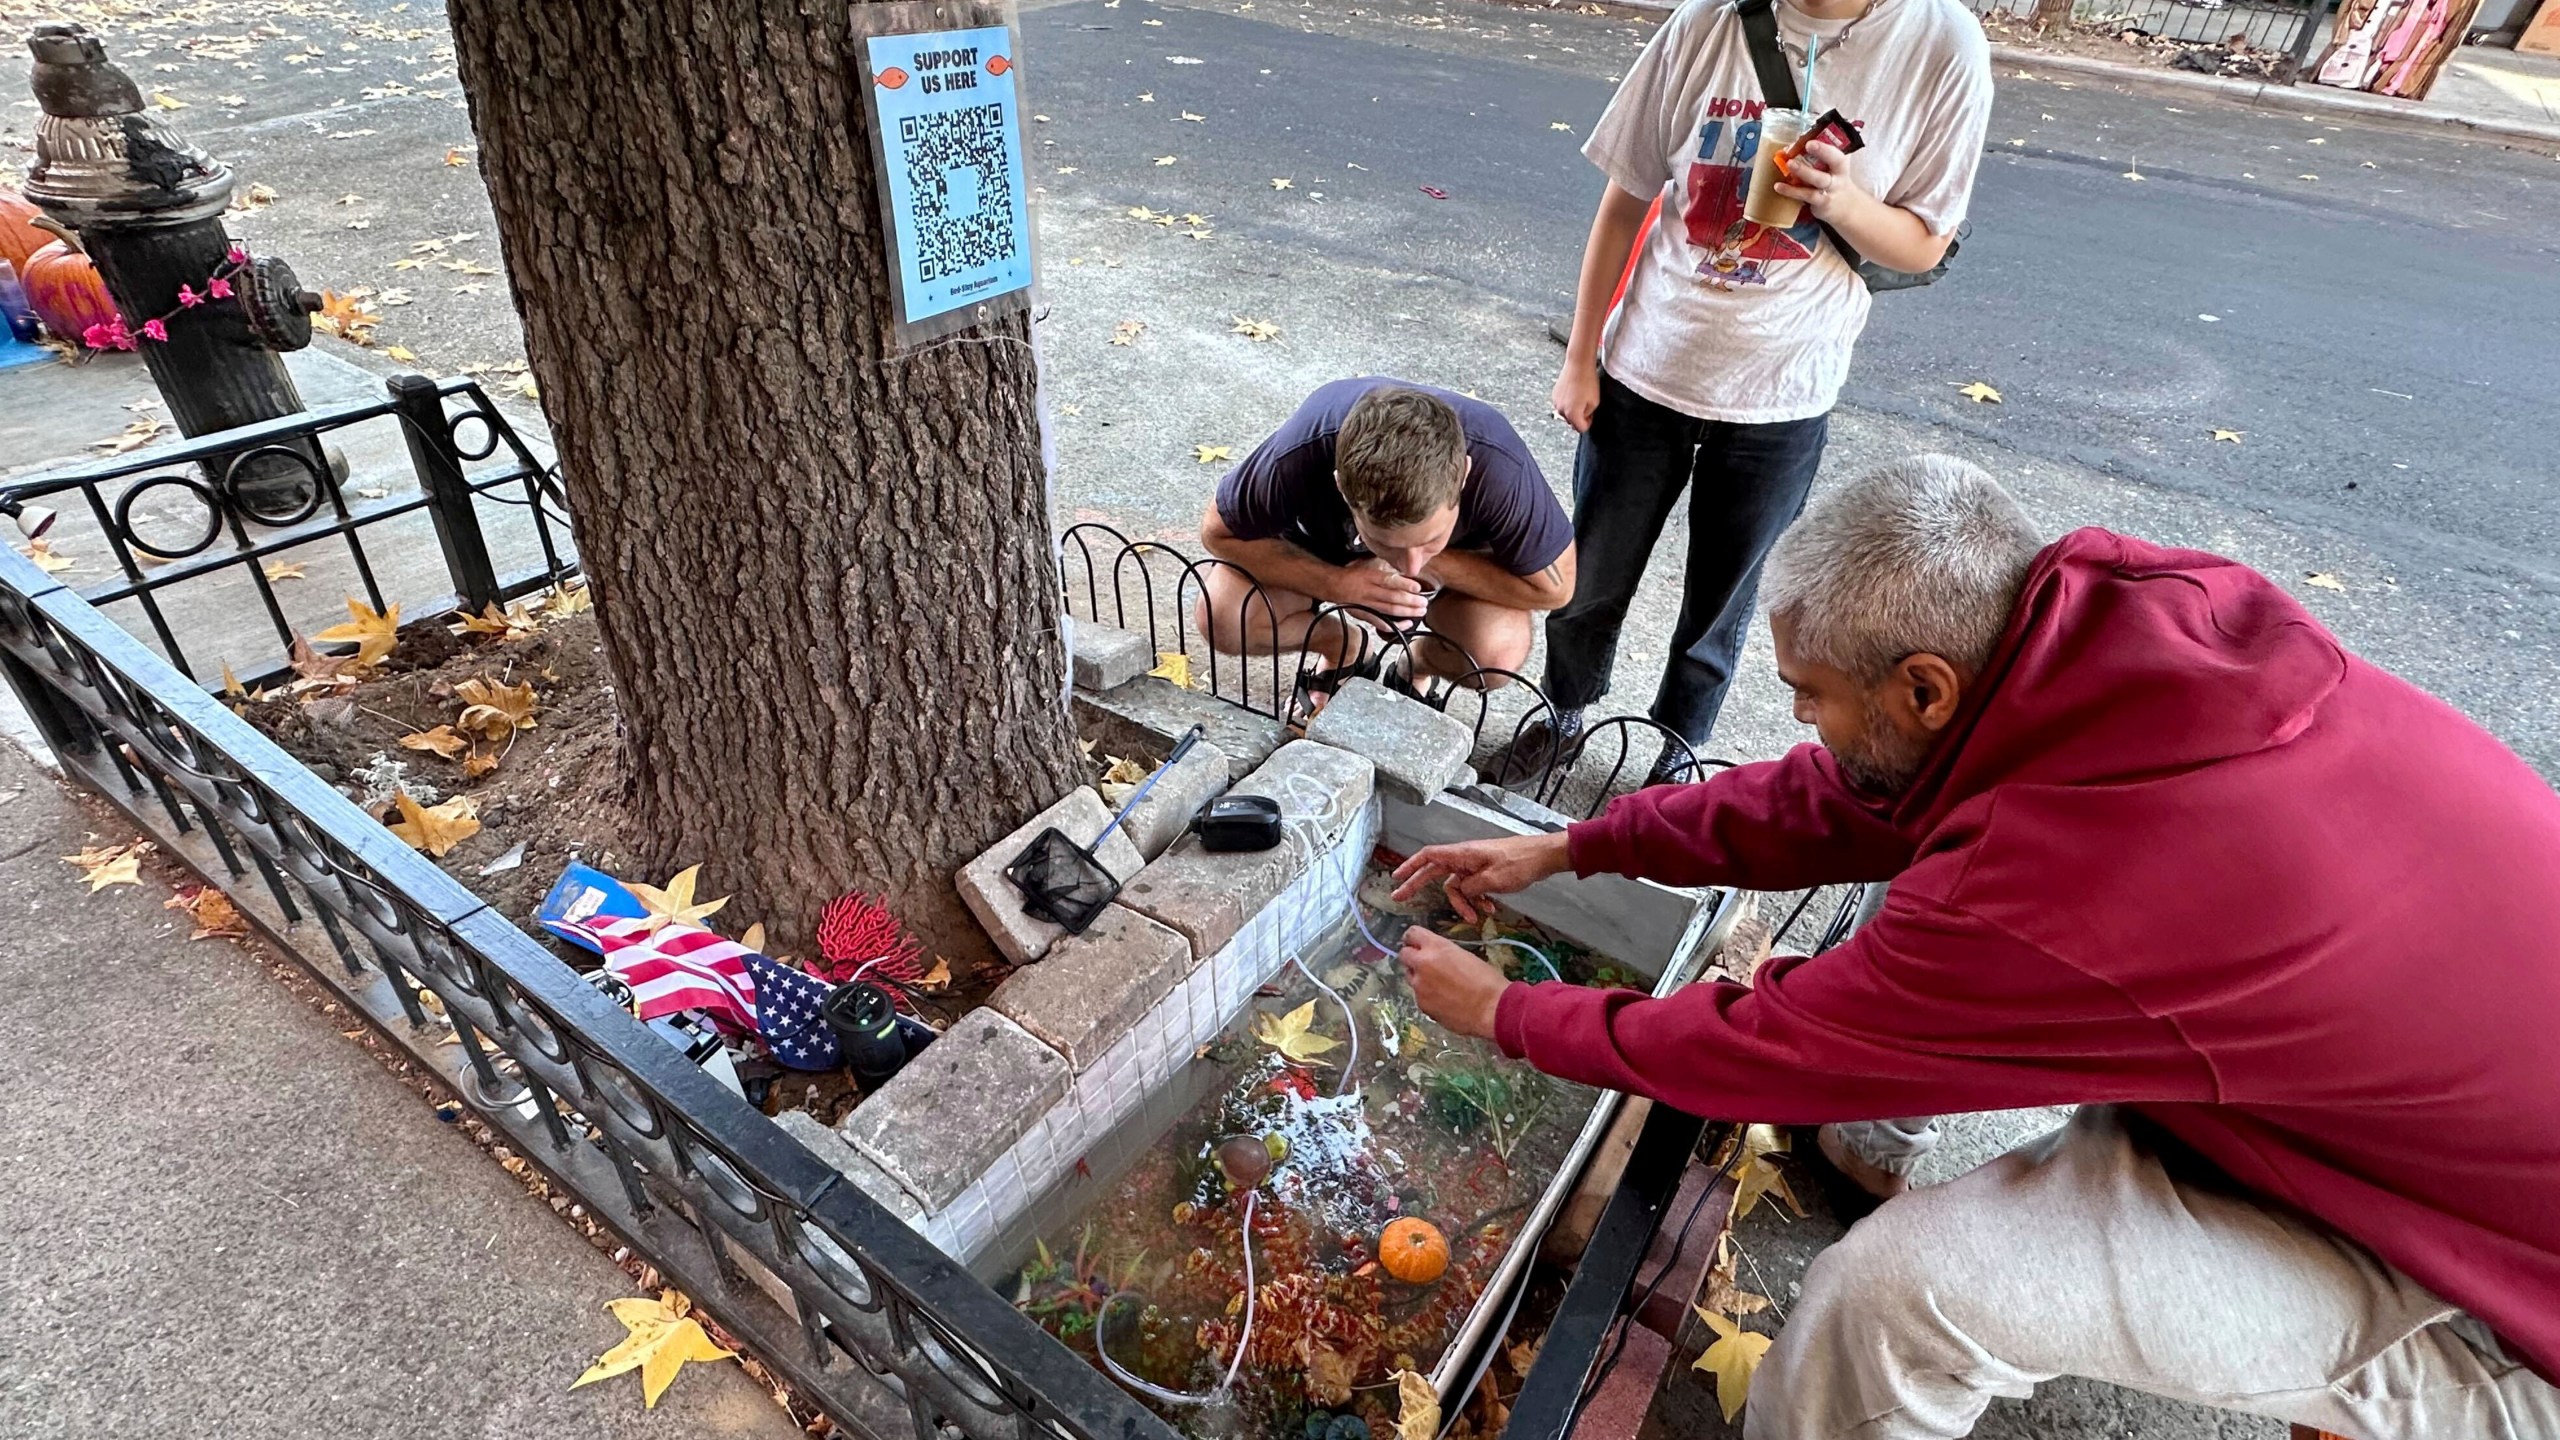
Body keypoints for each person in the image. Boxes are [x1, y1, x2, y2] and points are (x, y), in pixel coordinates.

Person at [1392, 456, 2560, 1440]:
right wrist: (1577, 849)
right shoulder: (2099, 630)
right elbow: (1843, 799)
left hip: (2501, 1300)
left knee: (1893, 1298)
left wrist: (1509, 1016)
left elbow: (1781, 1046)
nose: (1798, 721)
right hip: (2376, 1099)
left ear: (1924, 688)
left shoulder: (2064, 885)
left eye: (1809, 694)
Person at [1501, 0, 1994, 786]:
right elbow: (1626, 199)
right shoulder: (1707, 23)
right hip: (1645, 370)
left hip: (1783, 394)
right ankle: (1564, 712)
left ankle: (1675, 752)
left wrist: (1841, 202)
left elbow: (1926, 239)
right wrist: (1583, 355)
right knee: (1590, 578)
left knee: (1720, 610)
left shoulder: (1942, 44)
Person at [1196, 378, 1574, 704]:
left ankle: (1416, 665)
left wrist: (1434, 566)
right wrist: (1336, 583)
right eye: (1388, 544)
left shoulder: (1499, 466)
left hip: (1458, 570)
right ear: (1341, 485)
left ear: (1463, 476)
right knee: (1224, 616)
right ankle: (1342, 648)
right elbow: (1216, 532)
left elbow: (1555, 590)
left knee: (1495, 654)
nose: (1408, 565)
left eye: (1431, 538)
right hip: (1323, 549)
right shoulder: (1303, 447)